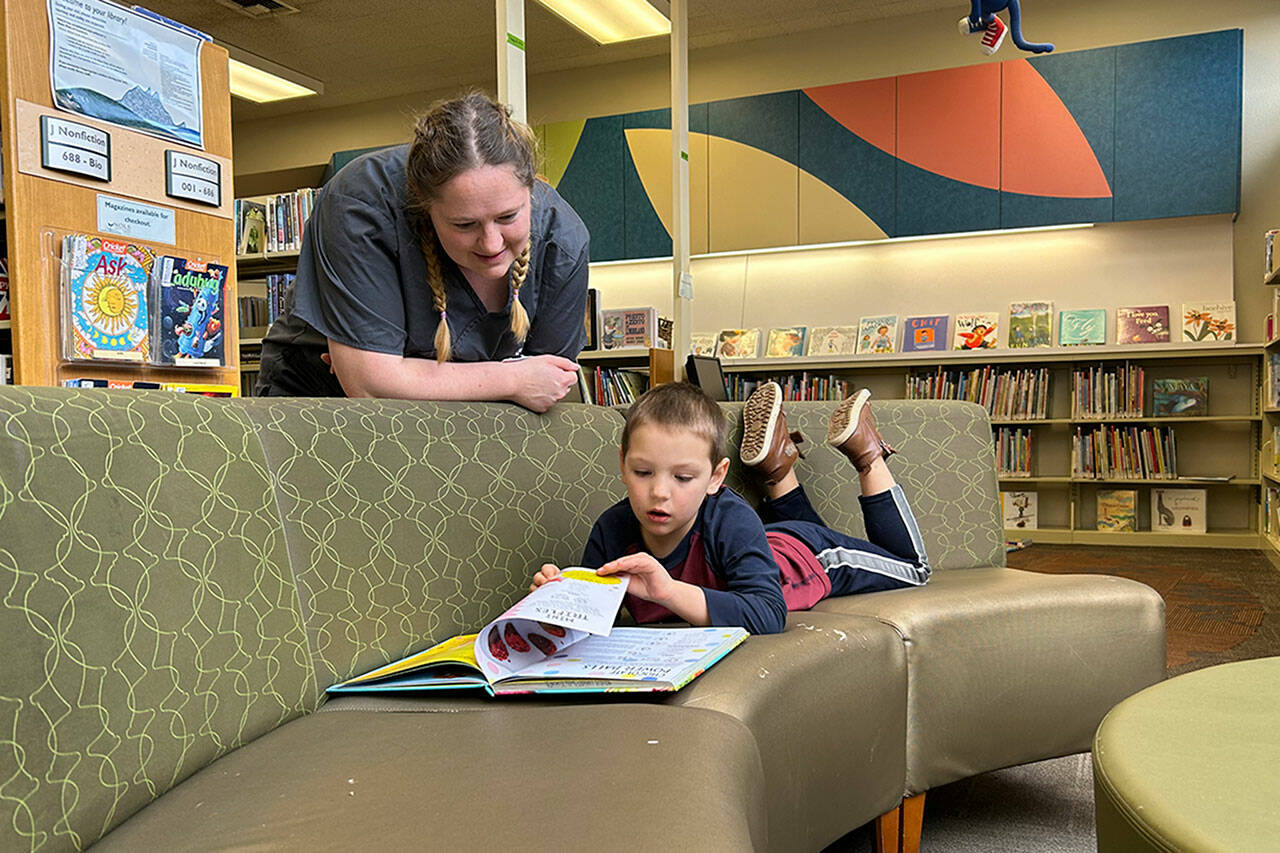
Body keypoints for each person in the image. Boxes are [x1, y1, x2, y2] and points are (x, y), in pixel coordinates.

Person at [255, 92, 590, 411]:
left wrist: (402, 373)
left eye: (507, 217)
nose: (491, 243)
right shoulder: (362, 202)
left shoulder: (563, 241)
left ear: (531, 189)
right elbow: (369, 385)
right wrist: (513, 377)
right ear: (422, 205)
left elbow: (548, 385)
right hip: (321, 400)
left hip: (471, 418)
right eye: (464, 225)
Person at [530, 381, 931, 635]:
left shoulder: (731, 518)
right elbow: (595, 621)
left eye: (683, 478)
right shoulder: (611, 530)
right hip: (760, 544)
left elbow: (768, 614)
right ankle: (776, 466)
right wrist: (558, 606)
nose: (659, 493)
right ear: (622, 464)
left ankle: (868, 454)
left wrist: (668, 592)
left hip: (807, 557)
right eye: (643, 472)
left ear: (716, 477)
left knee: (914, 569)